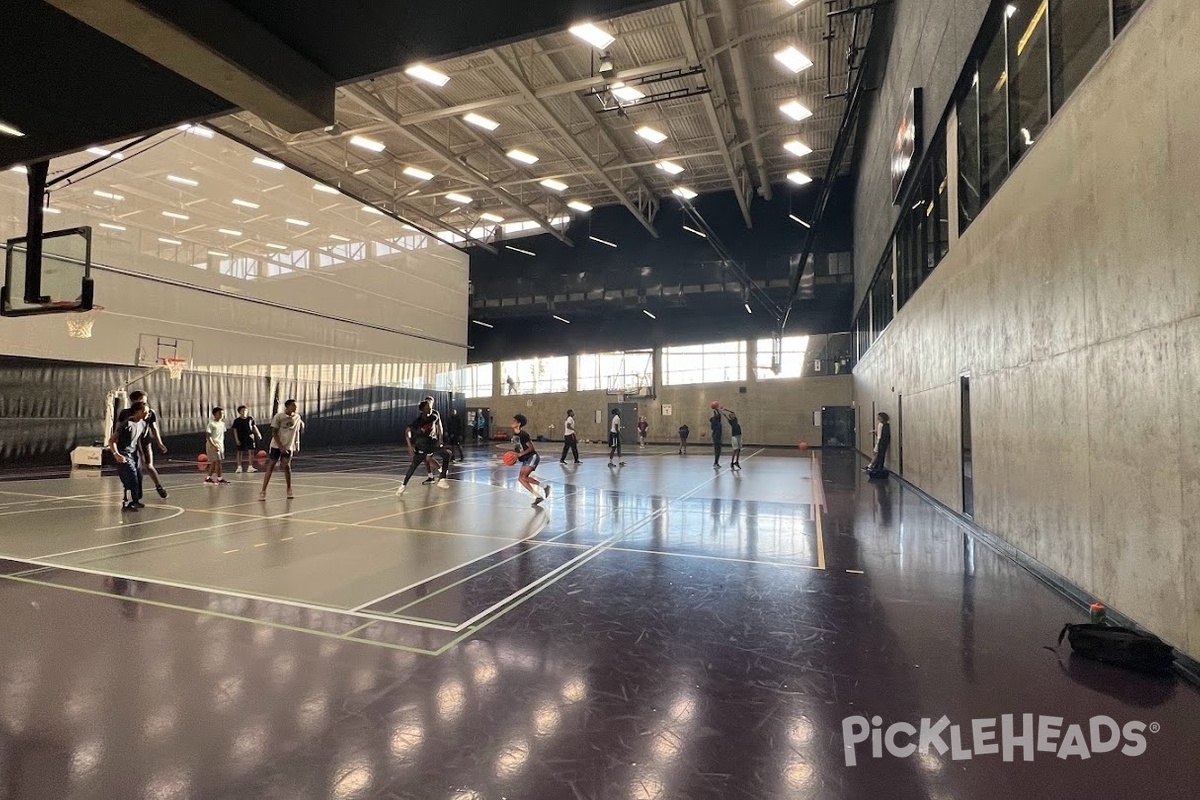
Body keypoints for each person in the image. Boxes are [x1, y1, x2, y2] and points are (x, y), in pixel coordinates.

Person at [119, 390, 168, 498]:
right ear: (135, 401)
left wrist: (159, 443)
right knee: (134, 469)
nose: (145, 402)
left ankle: (158, 486)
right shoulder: (126, 414)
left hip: (144, 442)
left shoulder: (149, 412)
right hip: (130, 444)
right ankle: (133, 493)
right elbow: (118, 429)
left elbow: (154, 428)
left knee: (149, 465)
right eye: (143, 400)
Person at [396, 400, 451, 495]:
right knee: (413, 466)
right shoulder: (417, 422)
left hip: (432, 443)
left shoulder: (434, 417)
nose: (430, 409)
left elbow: (439, 425)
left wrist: (440, 439)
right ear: (422, 410)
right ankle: (403, 485)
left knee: (447, 454)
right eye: (427, 408)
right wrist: (409, 445)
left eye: (430, 407)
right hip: (421, 445)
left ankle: (442, 479)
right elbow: (407, 431)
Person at [260, 399, 304, 500]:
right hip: (276, 446)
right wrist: (280, 446)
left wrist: (297, 444)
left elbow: (297, 431)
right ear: (287, 406)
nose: (295, 407)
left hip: (288, 446)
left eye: (296, 405)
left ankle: (289, 489)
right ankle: (263, 491)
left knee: (286, 466)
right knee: (271, 466)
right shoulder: (279, 417)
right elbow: (274, 433)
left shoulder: (297, 417)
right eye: (293, 405)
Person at [108, 401, 147, 511]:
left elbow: (137, 439)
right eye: (144, 412)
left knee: (138, 476)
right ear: (137, 412)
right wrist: (116, 454)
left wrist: (141, 454)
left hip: (133, 453)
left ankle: (135, 501)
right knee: (131, 477)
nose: (146, 414)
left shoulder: (143, 424)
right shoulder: (127, 423)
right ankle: (128, 502)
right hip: (123, 454)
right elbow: (112, 440)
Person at [512, 413, 549, 507]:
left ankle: (545, 487)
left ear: (519, 424)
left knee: (523, 477)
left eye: (514, 421)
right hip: (525, 458)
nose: (512, 422)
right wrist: (514, 457)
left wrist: (519, 454)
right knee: (521, 479)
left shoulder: (523, 434)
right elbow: (518, 449)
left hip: (532, 457)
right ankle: (538, 496)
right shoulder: (514, 435)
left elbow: (531, 448)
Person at [231, 405, 261, 474]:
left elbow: (254, 426)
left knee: (251, 451)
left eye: (245, 410)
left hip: (250, 437)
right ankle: (239, 467)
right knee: (239, 452)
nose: (244, 412)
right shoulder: (237, 421)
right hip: (241, 437)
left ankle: (250, 466)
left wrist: (258, 434)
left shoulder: (250, 419)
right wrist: (237, 439)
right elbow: (235, 430)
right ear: (239, 412)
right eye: (242, 411)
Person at [204, 407, 228, 484]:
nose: (222, 415)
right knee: (218, 462)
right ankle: (219, 478)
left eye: (223, 413)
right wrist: (214, 445)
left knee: (214, 462)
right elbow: (208, 436)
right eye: (220, 413)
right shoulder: (211, 424)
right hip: (213, 444)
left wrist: (220, 445)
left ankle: (208, 478)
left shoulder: (223, 424)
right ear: (215, 415)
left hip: (220, 444)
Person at [866, 412, 891, 477]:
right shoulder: (881, 425)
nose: (878, 418)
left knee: (879, 455)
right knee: (878, 454)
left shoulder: (885, 425)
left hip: (882, 442)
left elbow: (884, 436)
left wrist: (881, 442)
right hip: (880, 442)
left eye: (879, 417)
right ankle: (876, 466)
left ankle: (874, 466)